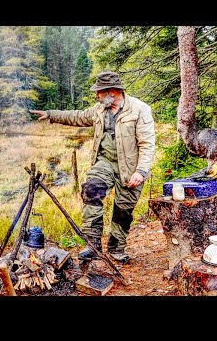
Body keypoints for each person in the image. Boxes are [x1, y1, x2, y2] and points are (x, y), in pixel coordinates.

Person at [29, 71, 155, 263]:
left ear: (112, 92)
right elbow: (78, 116)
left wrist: (141, 171)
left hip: (130, 167)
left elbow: (147, 144)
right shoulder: (99, 109)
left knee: (123, 210)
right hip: (104, 162)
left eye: (99, 92)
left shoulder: (139, 109)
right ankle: (93, 244)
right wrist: (51, 114)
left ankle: (116, 249)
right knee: (91, 190)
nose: (96, 96)